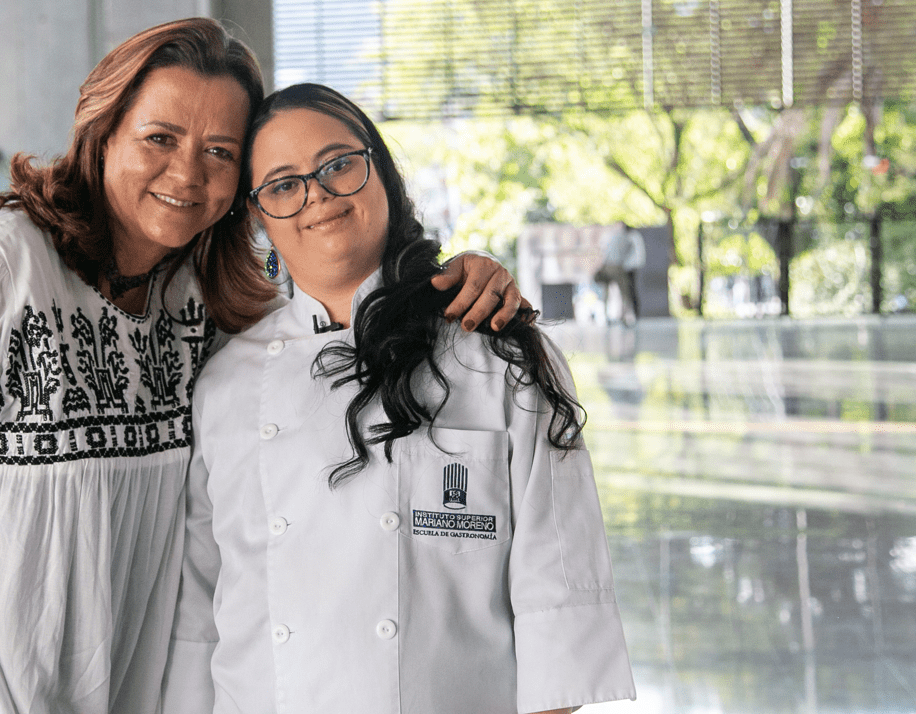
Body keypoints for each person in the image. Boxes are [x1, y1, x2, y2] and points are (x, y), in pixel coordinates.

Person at [0, 19, 525, 714]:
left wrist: (443, 283)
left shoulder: (201, 301)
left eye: (218, 151)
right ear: (103, 133)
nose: (186, 171)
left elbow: (333, 336)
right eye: (160, 136)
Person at [164, 84, 635, 713]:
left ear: (380, 172)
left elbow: (559, 606)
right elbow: (201, 611)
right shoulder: (224, 383)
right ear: (256, 216)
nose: (318, 195)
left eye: (338, 165)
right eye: (283, 184)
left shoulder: (498, 354)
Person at [595, 221, 645, 324]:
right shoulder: (624, 237)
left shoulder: (609, 237)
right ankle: (623, 316)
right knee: (624, 293)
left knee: (607, 293)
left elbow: (602, 252)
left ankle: (607, 316)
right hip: (617, 267)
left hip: (608, 266)